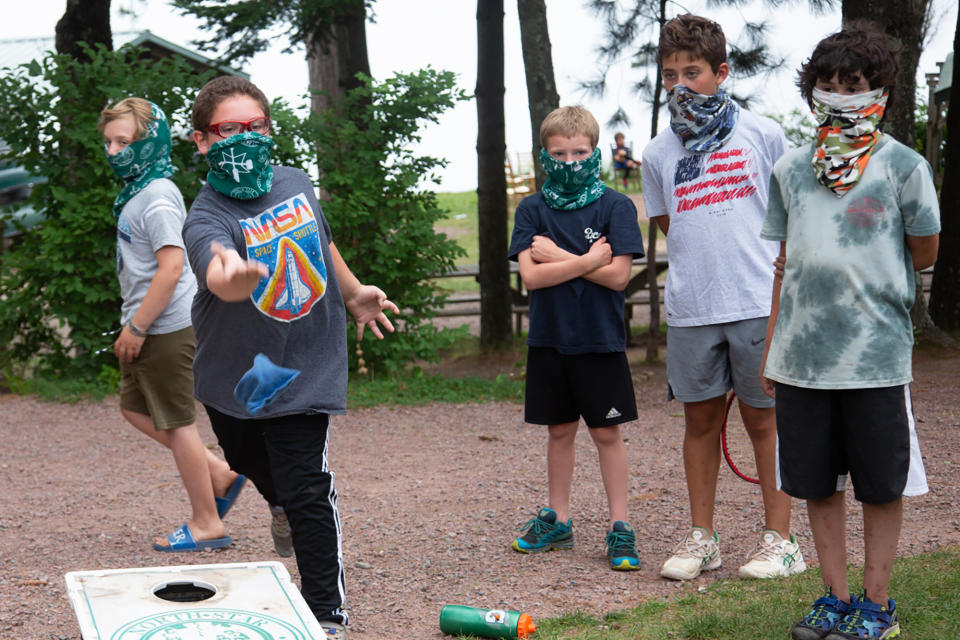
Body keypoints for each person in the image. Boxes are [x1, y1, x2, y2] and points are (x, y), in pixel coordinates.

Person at [182, 76, 398, 640]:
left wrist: (352, 293)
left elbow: (320, 242)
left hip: (304, 364)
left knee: (307, 485)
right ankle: (276, 501)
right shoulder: (205, 215)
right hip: (237, 377)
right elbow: (217, 270)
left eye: (256, 127)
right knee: (248, 456)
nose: (245, 138)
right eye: (230, 129)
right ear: (203, 140)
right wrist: (233, 277)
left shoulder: (295, 182)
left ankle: (326, 613)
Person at [760, 23, 940, 640]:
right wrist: (771, 346)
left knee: (879, 484)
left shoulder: (904, 167)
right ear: (812, 92)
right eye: (827, 86)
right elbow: (786, 265)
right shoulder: (788, 170)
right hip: (802, 357)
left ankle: (877, 607)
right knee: (816, 483)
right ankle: (834, 600)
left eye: (853, 85)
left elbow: (923, 251)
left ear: (879, 91)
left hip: (876, 357)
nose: (840, 97)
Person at [640, 14, 806, 582]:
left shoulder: (763, 134)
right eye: (670, 75)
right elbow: (670, 224)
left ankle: (780, 540)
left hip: (759, 299)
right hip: (692, 307)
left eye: (693, 71)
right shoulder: (657, 153)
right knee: (700, 423)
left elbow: (786, 219)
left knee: (765, 423)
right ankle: (702, 538)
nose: (682, 84)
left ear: (721, 72)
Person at [99, 97, 246, 554]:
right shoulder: (138, 191)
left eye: (124, 141)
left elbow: (172, 267)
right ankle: (219, 473)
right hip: (147, 324)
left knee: (178, 423)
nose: (113, 151)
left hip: (163, 328)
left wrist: (138, 327)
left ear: (149, 142)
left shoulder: (158, 195)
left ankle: (207, 523)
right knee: (135, 409)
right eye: (108, 141)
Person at [507, 106, 646, 571]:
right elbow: (532, 278)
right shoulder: (532, 209)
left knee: (607, 432)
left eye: (580, 152)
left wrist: (560, 257)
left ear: (595, 150)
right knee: (560, 430)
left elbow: (619, 277)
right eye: (559, 153)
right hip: (549, 341)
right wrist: (588, 260)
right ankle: (558, 520)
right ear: (545, 155)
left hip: (599, 340)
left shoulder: (615, 206)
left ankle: (620, 527)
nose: (570, 161)